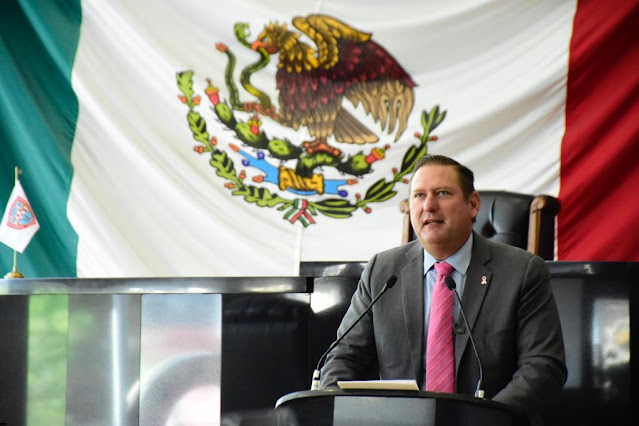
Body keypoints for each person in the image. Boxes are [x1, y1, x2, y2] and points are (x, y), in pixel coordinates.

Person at [319, 154, 567, 425]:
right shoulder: (382, 271)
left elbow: (543, 366)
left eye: (442, 193)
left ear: (473, 205)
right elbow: (344, 358)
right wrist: (333, 409)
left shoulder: (522, 271)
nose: (429, 206)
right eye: (419, 195)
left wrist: (486, 419)